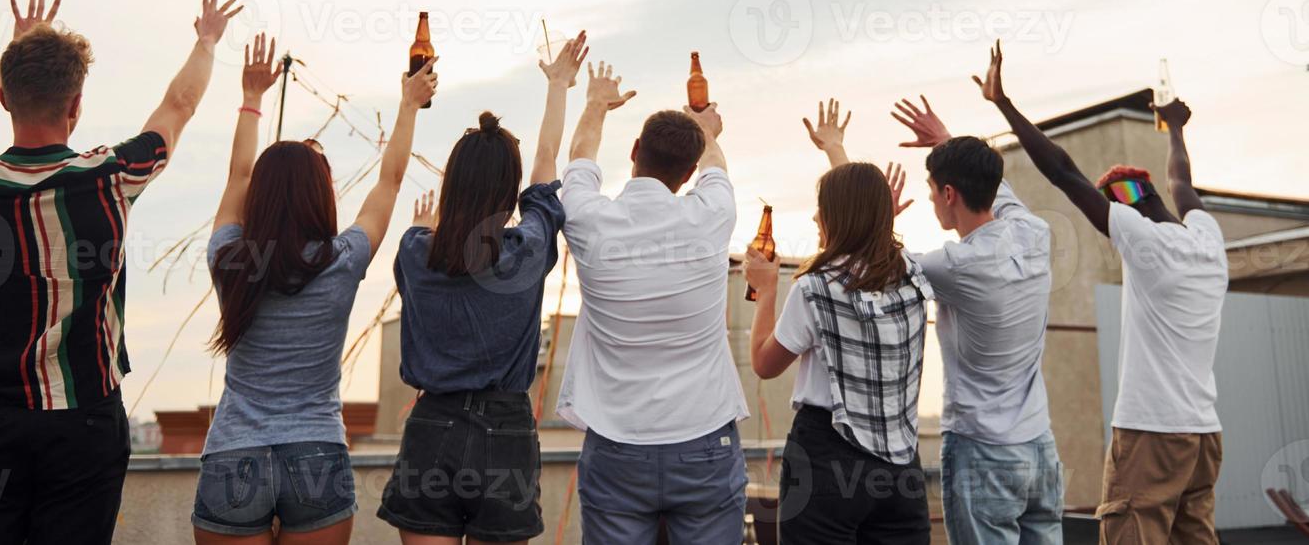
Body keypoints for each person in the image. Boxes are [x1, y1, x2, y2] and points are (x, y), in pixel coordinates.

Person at [0, 0, 241, 545]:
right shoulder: (110, 178)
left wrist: (16, 46)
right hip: (85, 424)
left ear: (6, 98)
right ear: (75, 106)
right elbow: (180, 106)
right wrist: (207, 40)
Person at [974, 42, 1227, 545]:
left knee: (1131, 532)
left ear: (1125, 210)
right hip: (1203, 435)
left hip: (1152, 430)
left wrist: (1003, 105)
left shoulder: (1143, 241)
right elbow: (1181, 179)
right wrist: (1175, 126)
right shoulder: (1207, 237)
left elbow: (1064, 173)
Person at [191, 36, 437, 544]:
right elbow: (389, 182)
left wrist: (252, 97)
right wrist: (409, 104)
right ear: (321, 195)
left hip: (234, 453)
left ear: (259, 195)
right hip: (317, 453)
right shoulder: (342, 261)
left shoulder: (230, 258)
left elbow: (238, 173)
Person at [377, 32, 588, 544]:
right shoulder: (526, 248)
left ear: (451, 184)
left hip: (432, 426)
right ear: (507, 189)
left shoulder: (414, 251)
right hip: (506, 432)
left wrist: (408, 106)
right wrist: (558, 85)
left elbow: (391, 182)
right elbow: (545, 162)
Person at [555, 62, 749, 544]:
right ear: (688, 174)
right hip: (705, 439)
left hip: (617, 444)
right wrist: (707, 130)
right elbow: (717, 169)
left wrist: (597, 103)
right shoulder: (713, 214)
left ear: (635, 151)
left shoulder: (589, 219)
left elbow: (579, 160)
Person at [744, 100, 931, 545]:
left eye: (820, 208)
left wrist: (767, 292)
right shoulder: (911, 276)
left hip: (827, 460)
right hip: (900, 467)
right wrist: (835, 150)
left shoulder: (814, 289)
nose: (814, 216)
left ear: (836, 216)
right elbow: (869, 223)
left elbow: (765, 364)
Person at [891, 94, 1062, 545]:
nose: (932, 203)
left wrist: (881, 219)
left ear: (949, 194)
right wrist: (946, 141)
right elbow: (995, 188)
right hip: (1039, 448)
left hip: (983, 451)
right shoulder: (1033, 233)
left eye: (932, 193)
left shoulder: (954, 265)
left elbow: (882, 264)